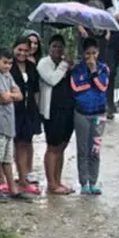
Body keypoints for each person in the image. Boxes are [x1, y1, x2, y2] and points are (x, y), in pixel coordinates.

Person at [0, 49, 31, 202]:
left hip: (8, 123)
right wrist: (12, 96)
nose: (7, 66)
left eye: (10, 63)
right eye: (4, 62)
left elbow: (19, 95)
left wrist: (11, 96)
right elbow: (5, 97)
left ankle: (13, 189)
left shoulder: (7, 74)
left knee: (6, 159)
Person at [71, 37, 110, 195]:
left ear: (98, 52)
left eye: (94, 53)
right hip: (81, 112)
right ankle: (83, 182)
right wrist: (91, 79)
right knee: (82, 149)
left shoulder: (103, 68)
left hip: (99, 113)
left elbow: (102, 86)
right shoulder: (77, 68)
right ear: (83, 53)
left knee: (95, 149)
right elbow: (76, 88)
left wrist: (93, 73)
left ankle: (93, 181)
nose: (91, 57)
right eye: (88, 53)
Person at [37, 34, 75, 195]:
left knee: (62, 147)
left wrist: (69, 66)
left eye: (60, 46)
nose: (58, 49)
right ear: (49, 47)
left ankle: (58, 181)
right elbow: (52, 79)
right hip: (52, 111)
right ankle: (51, 184)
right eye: (54, 46)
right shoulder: (43, 63)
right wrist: (64, 65)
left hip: (68, 109)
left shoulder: (65, 63)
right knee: (52, 147)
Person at [10, 36, 41, 195]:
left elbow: (36, 89)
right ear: (14, 49)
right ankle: (10, 180)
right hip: (13, 110)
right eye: (19, 50)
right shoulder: (8, 65)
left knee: (25, 143)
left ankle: (23, 178)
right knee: (14, 144)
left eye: (25, 50)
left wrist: (38, 111)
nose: (22, 53)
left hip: (29, 110)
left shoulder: (31, 66)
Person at [74, 0, 113, 64]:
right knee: (84, 60)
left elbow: (108, 13)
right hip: (86, 32)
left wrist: (108, 31)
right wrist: (81, 29)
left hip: (101, 33)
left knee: (101, 61)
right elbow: (76, 13)